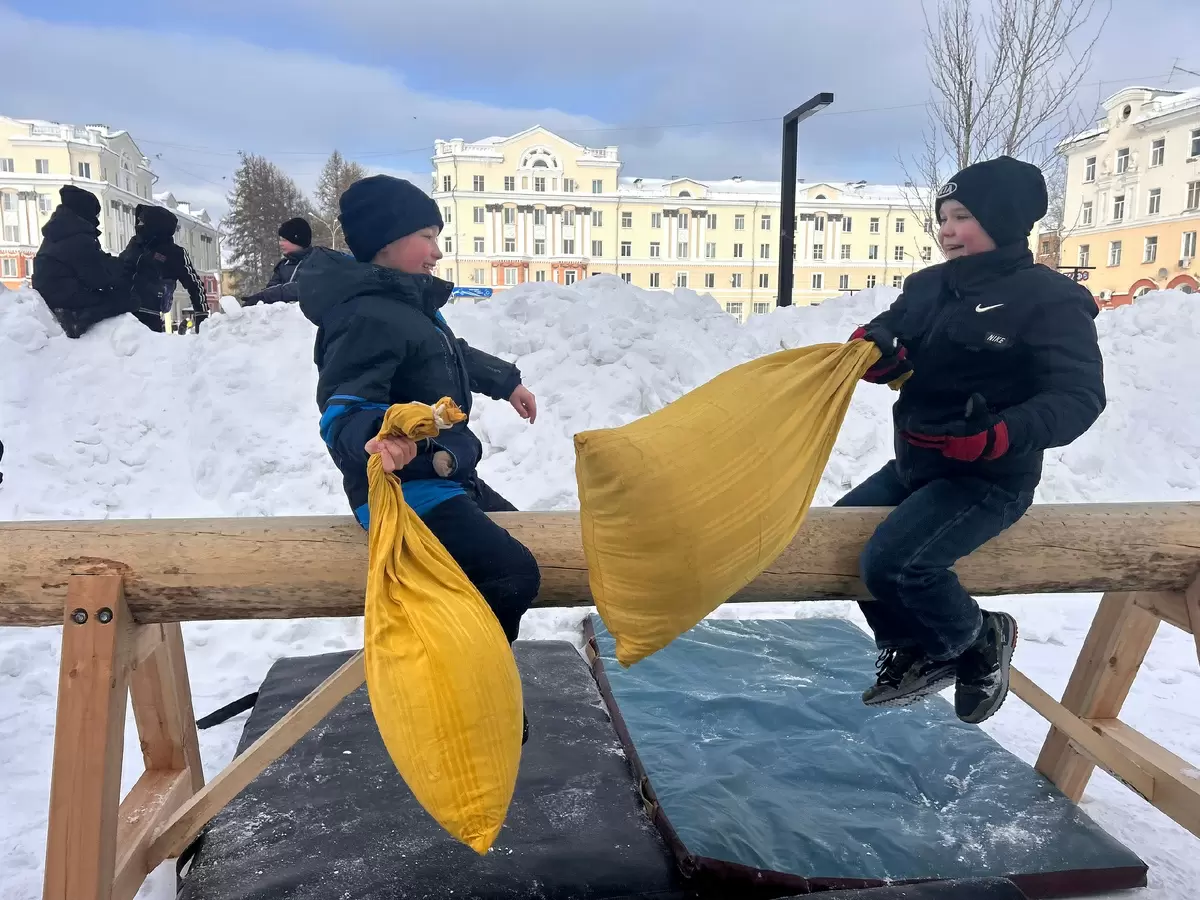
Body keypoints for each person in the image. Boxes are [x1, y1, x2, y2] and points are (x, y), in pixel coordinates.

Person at [839, 155, 1105, 725]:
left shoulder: (1049, 299)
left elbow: (1079, 396)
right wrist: (877, 350)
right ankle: (911, 646)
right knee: (838, 539)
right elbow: (890, 332)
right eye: (943, 217)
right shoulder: (927, 286)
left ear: (1001, 220)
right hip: (915, 465)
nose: (947, 230)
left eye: (962, 217)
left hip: (988, 478)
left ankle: (978, 638)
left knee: (897, 564)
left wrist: (997, 436)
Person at [296, 175, 541, 740]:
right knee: (510, 570)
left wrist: (505, 381)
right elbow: (343, 407)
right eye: (427, 237)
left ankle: (475, 672)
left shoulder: (407, 305)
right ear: (386, 241)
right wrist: (376, 437)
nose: (437, 251)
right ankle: (471, 695)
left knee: (523, 539)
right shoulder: (364, 315)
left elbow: (449, 355)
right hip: (403, 487)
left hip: (444, 472)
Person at [32, 186, 135, 338]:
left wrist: (112, 264)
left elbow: (89, 261)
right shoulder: (79, 237)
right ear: (86, 211)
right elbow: (97, 278)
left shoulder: (61, 230)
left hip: (50, 291)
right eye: (96, 214)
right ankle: (77, 319)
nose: (97, 219)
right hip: (65, 295)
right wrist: (119, 274)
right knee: (127, 300)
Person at [120, 204, 211, 333]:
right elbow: (120, 267)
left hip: (149, 318)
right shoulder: (135, 244)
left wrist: (201, 315)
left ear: (154, 225)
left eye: (142, 222)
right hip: (121, 313)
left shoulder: (174, 254)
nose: (138, 225)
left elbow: (194, 284)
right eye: (138, 221)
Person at [241, 217, 313, 306]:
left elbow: (302, 288)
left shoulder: (316, 262)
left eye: (285, 240)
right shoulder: (283, 265)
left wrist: (265, 296)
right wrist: (258, 300)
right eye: (280, 239)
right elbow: (271, 291)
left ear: (297, 240)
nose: (280, 243)